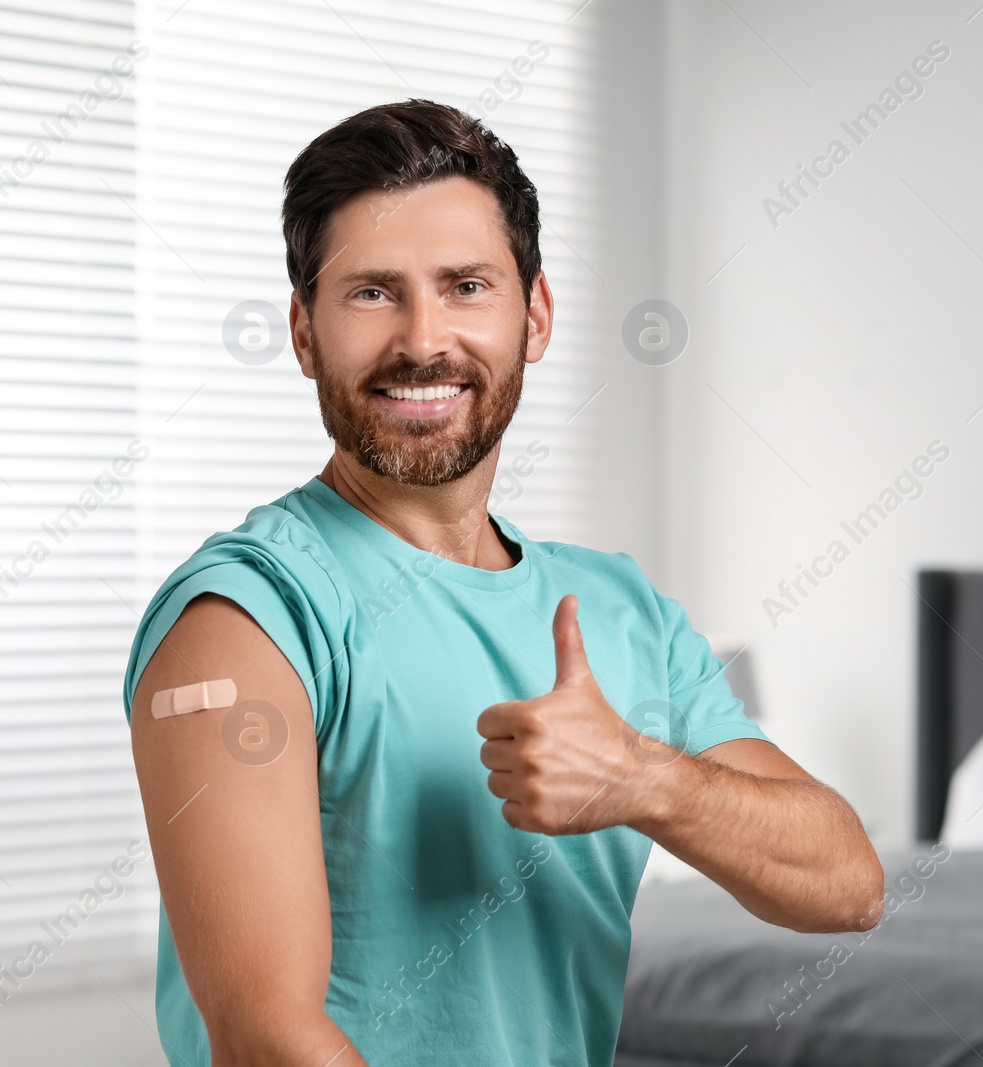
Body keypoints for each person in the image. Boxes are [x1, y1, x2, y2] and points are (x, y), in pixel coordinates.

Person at [123, 98, 882, 1067]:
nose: (422, 339)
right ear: (305, 334)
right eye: (370, 293)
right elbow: (267, 1039)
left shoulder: (618, 610)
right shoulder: (246, 618)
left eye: (466, 285)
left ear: (536, 315)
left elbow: (847, 881)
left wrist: (641, 778)